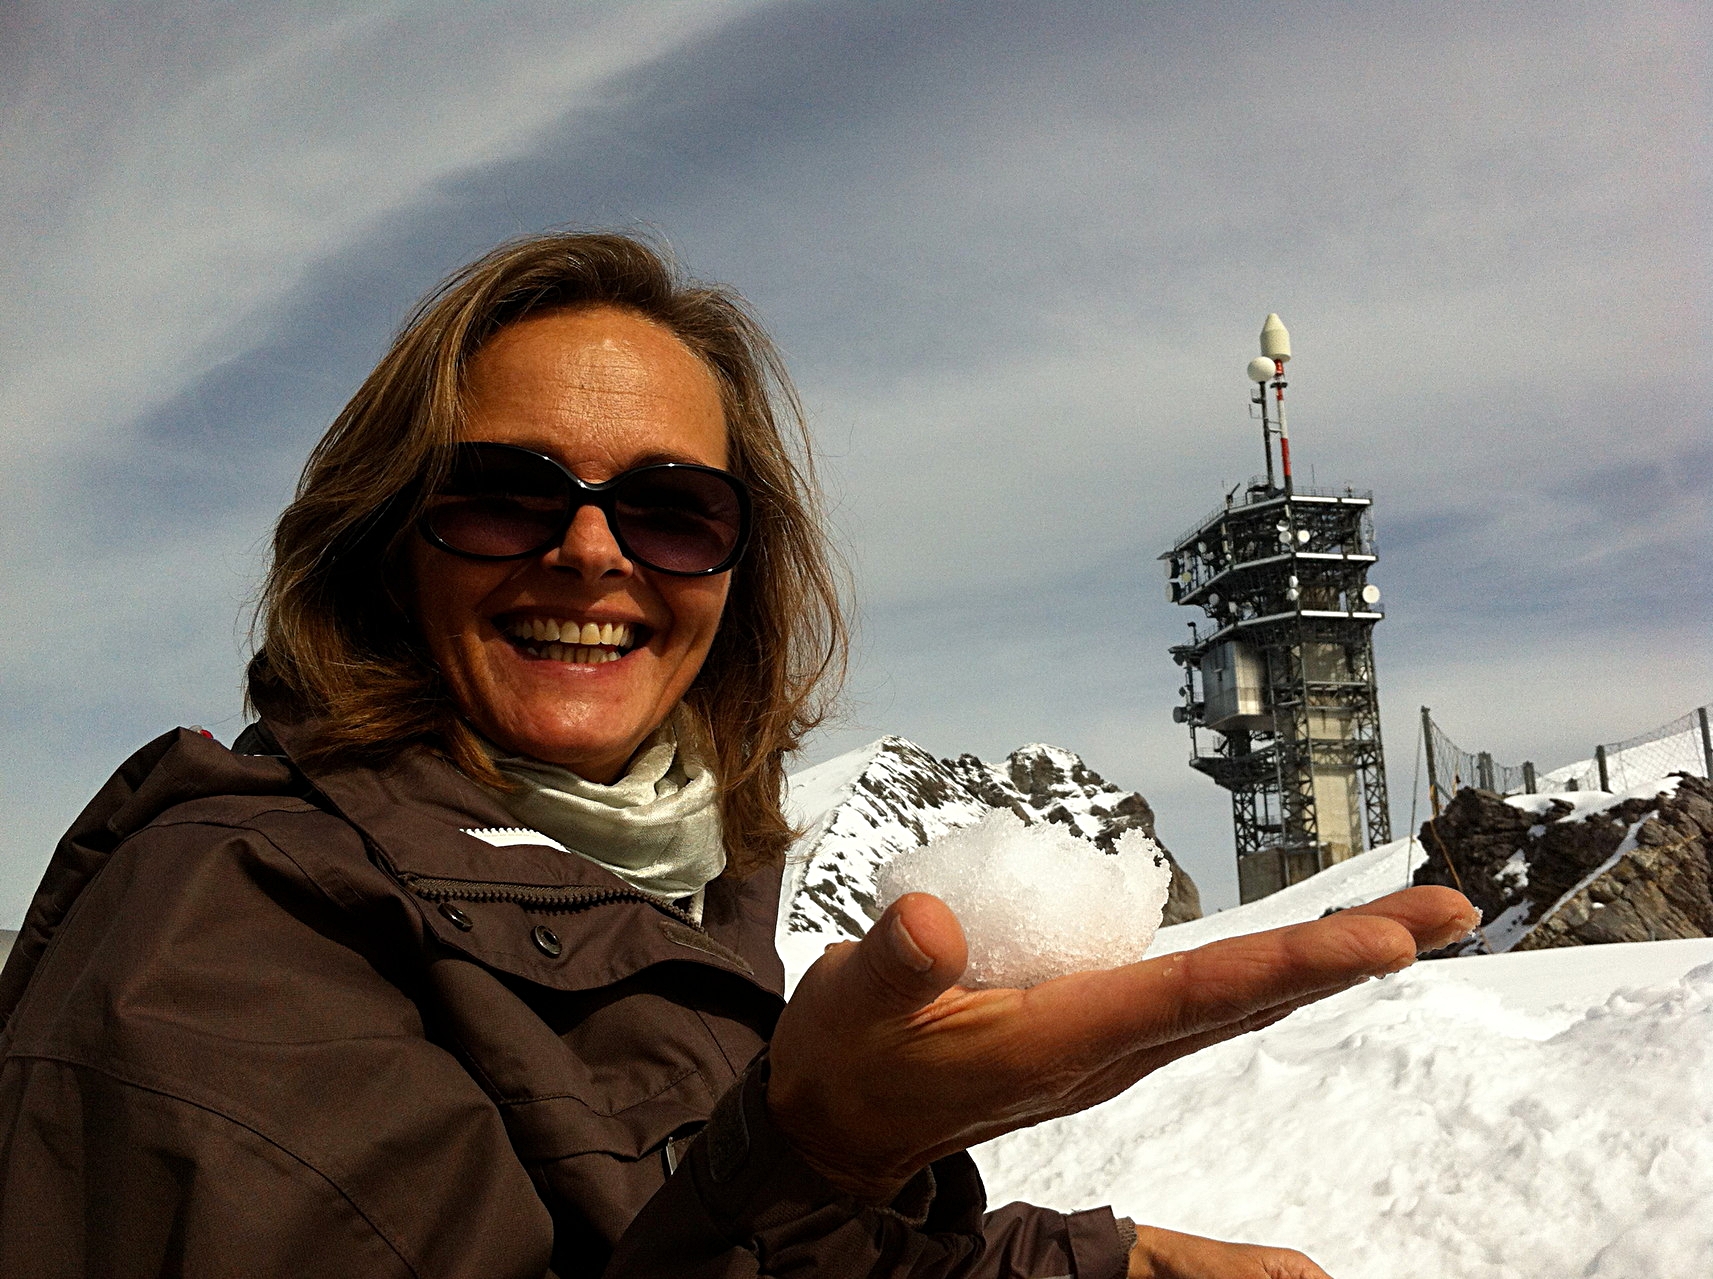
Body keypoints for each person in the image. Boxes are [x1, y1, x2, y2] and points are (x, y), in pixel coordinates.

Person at [0, 232, 1475, 1278]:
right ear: (384, 547)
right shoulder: (218, 941)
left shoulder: (670, 886)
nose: (591, 554)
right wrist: (814, 1152)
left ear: (736, 573)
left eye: (674, 513)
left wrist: (1080, 1264)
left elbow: (656, 1227)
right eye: (504, 496)